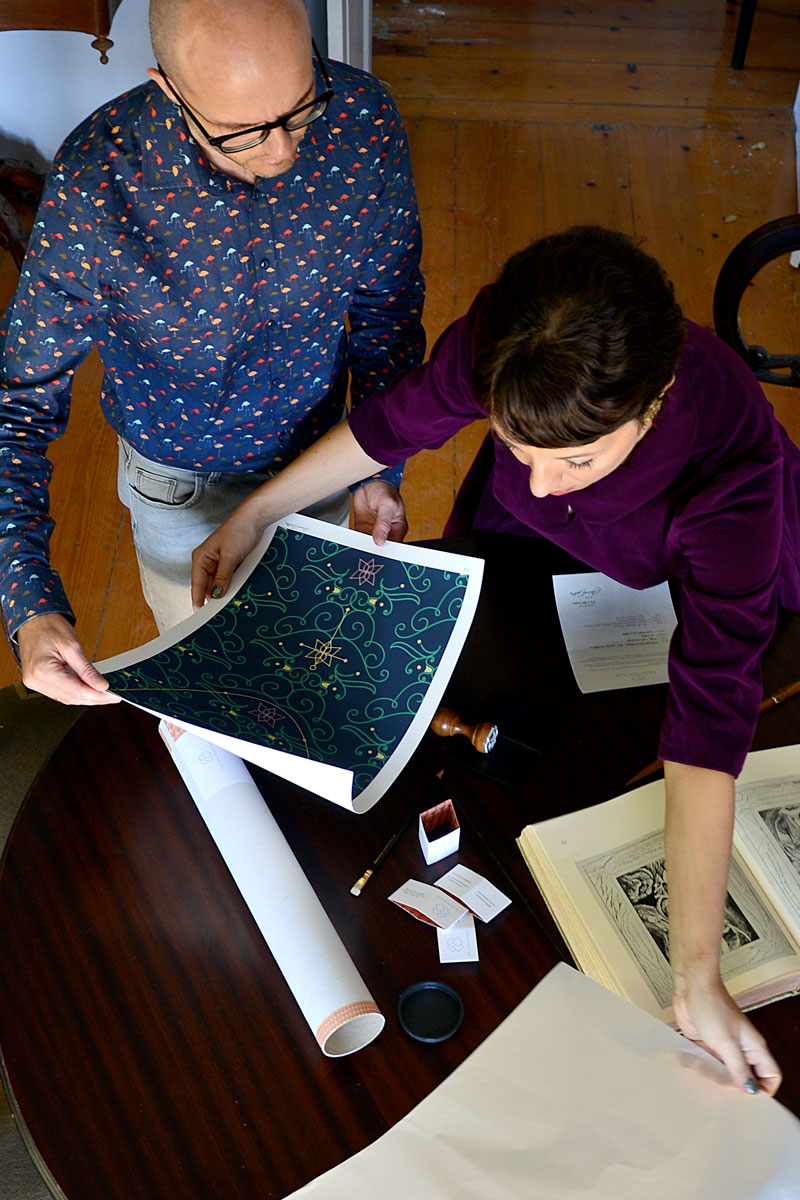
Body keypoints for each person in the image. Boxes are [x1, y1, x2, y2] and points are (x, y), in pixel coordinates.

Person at [188, 225, 795, 1096]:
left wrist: (697, 976)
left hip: (694, 557)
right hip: (521, 562)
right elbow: (387, 425)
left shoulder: (734, 481)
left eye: (576, 459)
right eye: (515, 446)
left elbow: (707, 728)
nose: (543, 484)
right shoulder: (512, 347)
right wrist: (255, 514)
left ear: (655, 398)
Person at [1, 0, 424, 703]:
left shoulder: (363, 122)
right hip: (178, 493)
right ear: (168, 89)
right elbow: (17, 404)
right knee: (226, 697)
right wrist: (29, 606)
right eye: (244, 134)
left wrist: (380, 468)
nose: (284, 151)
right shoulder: (96, 185)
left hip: (330, 458)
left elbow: (388, 313)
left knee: (325, 682)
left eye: (300, 108)